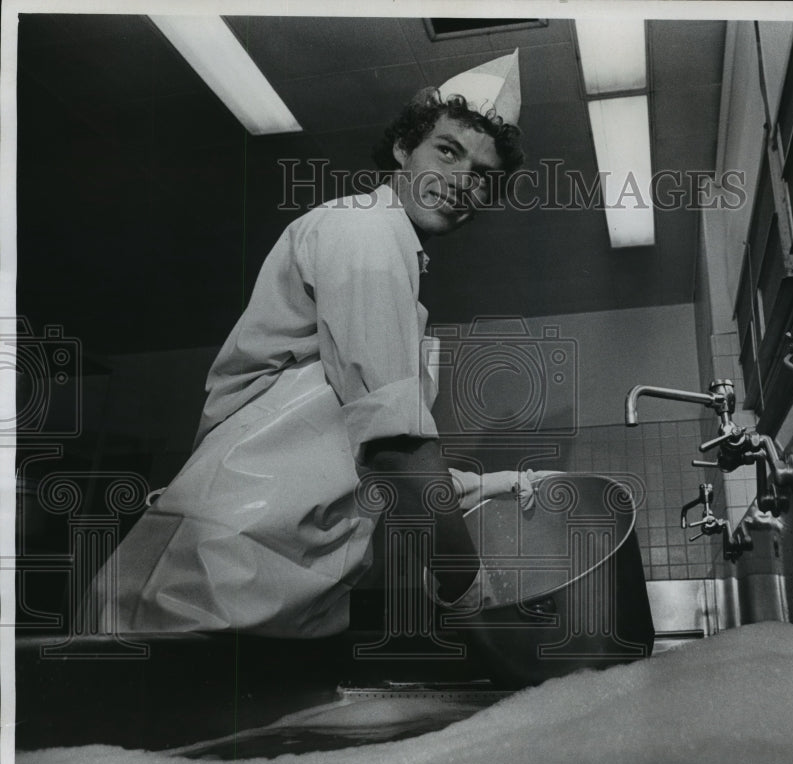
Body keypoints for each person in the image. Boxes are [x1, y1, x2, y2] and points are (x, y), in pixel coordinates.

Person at [85, 51, 541, 638]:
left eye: (481, 175)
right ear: (404, 150)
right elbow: (395, 444)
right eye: (447, 151)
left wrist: (470, 484)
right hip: (222, 565)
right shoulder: (367, 235)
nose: (459, 182)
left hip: (269, 561)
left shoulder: (386, 251)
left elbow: (337, 432)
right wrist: (468, 587)